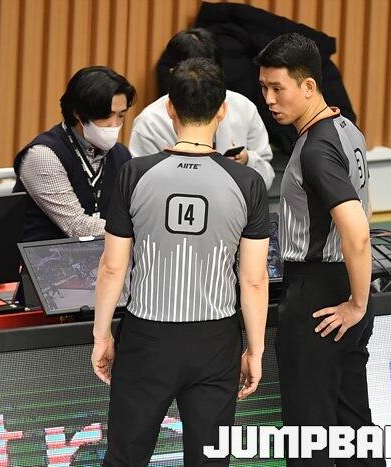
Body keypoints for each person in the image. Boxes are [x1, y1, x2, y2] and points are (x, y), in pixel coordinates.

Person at [92, 58, 269, 466]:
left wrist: (102, 335)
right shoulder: (248, 182)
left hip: (147, 337)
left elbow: (113, 267)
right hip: (216, 340)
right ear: (222, 110)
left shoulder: (134, 173)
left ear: (170, 108)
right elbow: (254, 279)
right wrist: (255, 350)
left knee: (125, 458)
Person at [255, 33, 382, 466]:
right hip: (346, 285)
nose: (269, 100)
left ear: (308, 86)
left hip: (319, 300)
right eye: (264, 88)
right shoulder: (347, 128)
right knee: (353, 425)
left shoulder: (316, 149)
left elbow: (357, 231)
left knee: (309, 435)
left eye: (278, 88)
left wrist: (355, 304)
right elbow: (366, 209)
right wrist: (360, 300)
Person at [129, 28, 275, 189]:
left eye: (209, 75)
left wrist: (248, 161)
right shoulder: (149, 123)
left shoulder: (243, 107)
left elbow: (266, 176)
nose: (201, 83)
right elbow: (140, 188)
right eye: (192, 75)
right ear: (172, 73)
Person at [13, 66, 136, 242]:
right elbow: (77, 226)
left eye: (121, 115)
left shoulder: (121, 155)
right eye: (106, 116)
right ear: (78, 113)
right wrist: (140, 230)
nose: (114, 124)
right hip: (45, 254)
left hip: (100, 253)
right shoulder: (44, 156)